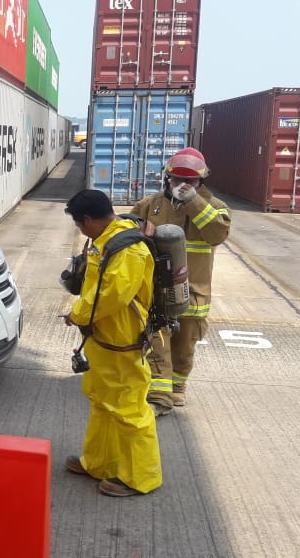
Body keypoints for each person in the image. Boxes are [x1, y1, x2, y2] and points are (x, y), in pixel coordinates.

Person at [62, 189, 162, 497]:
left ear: (90, 220)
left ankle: (139, 477)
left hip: (123, 342)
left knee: (129, 409)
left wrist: (77, 314)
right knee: (102, 402)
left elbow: (111, 295)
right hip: (104, 340)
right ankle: (99, 463)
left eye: (80, 225)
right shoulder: (106, 242)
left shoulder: (128, 251)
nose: (80, 231)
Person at [130, 148, 231, 416]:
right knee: (156, 341)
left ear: (201, 182)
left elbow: (217, 234)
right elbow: (127, 230)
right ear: (167, 178)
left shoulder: (215, 208)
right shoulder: (150, 205)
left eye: (190, 182)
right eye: (176, 180)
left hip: (193, 292)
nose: (182, 186)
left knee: (184, 348)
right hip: (155, 290)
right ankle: (159, 396)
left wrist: (193, 201)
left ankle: (177, 388)